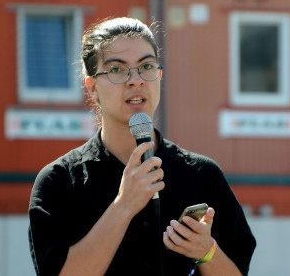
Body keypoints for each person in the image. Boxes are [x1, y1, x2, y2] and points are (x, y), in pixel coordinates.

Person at [28, 17, 256, 276]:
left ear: (158, 76)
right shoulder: (59, 182)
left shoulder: (203, 175)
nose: (135, 80)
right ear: (92, 88)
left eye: (146, 66)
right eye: (117, 70)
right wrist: (124, 206)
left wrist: (206, 251)